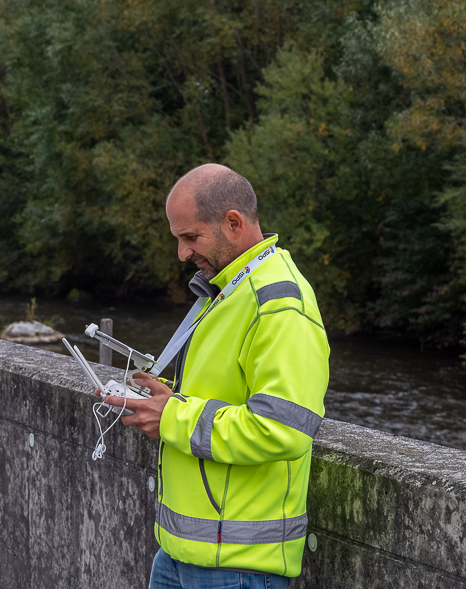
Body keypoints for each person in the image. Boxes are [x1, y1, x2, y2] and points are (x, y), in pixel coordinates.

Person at [101, 164, 330, 589]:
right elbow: (222, 394)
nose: (182, 253)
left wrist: (171, 416)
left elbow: (282, 429)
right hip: (179, 554)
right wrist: (166, 396)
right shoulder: (229, 289)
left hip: (237, 568)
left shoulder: (279, 302)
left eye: (191, 237)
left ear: (233, 223)